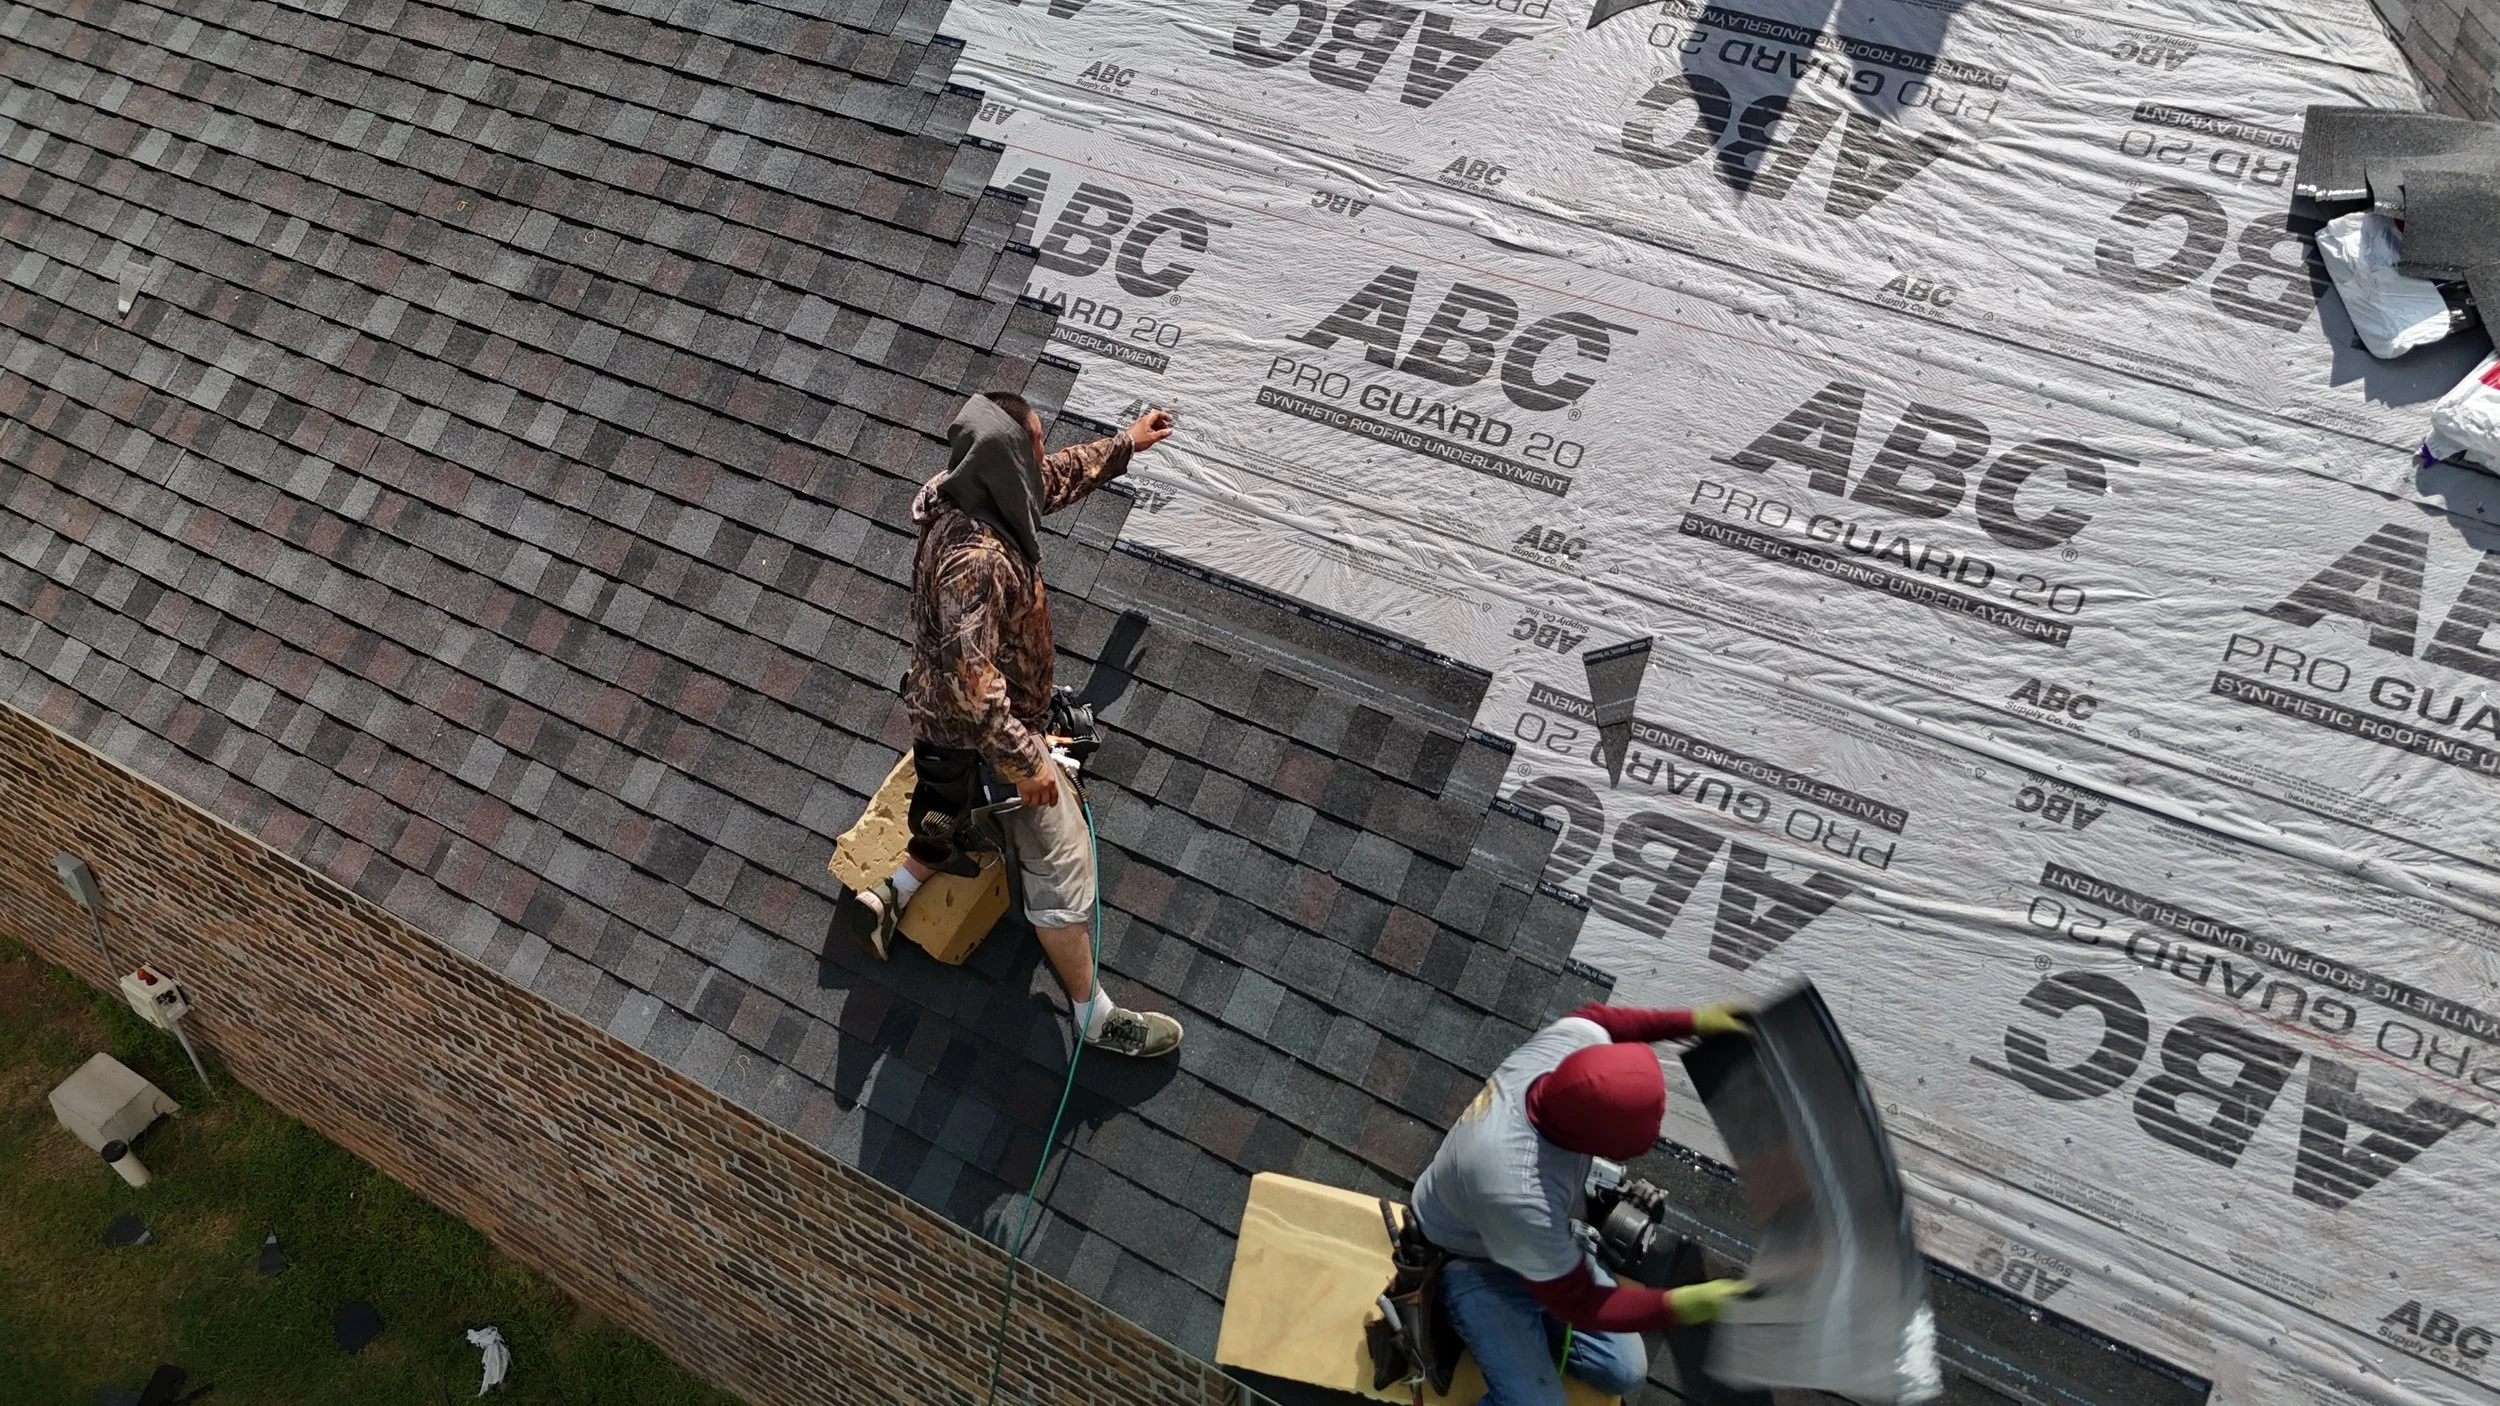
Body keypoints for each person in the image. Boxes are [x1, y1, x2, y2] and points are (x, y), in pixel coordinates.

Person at [839, 391, 1185, 1059]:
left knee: (947, 810)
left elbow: (1047, 478)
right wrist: (1027, 760)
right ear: (1004, 459)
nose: (1041, 453)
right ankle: (1093, 1018)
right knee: (1061, 865)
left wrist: (1125, 445)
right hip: (989, 733)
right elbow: (978, 687)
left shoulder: (963, 492)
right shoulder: (978, 562)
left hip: (937, 723)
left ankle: (889, 895)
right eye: (1032, 442)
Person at [1407, 1001, 1756, 1403]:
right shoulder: (1517, 1187)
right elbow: (1582, 1303)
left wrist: (1692, 1022)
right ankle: (1467, 1308)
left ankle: (1528, 1332)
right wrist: (1682, 1305)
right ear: (1591, 1140)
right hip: (1473, 1261)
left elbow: (1601, 1019)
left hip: (1536, 1241)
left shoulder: (1565, 1051)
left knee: (1624, 1371)